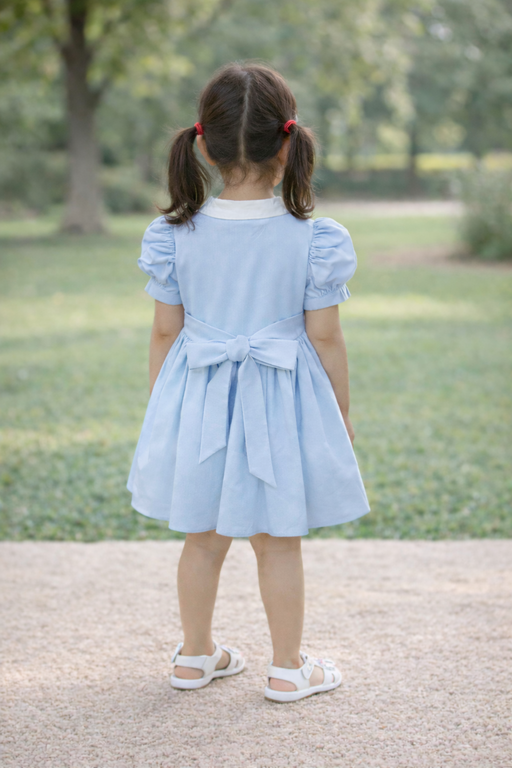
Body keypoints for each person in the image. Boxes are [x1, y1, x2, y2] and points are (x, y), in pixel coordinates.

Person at [127, 62, 370, 703]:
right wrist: (340, 412)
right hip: (280, 402)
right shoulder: (315, 237)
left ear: (204, 146)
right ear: (287, 145)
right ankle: (288, 668)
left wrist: (165, 407)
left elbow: (164, 333)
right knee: (278, 540)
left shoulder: (174, 234)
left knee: (202, 539)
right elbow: (325, 337)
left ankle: (194, 656)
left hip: (201, 399)